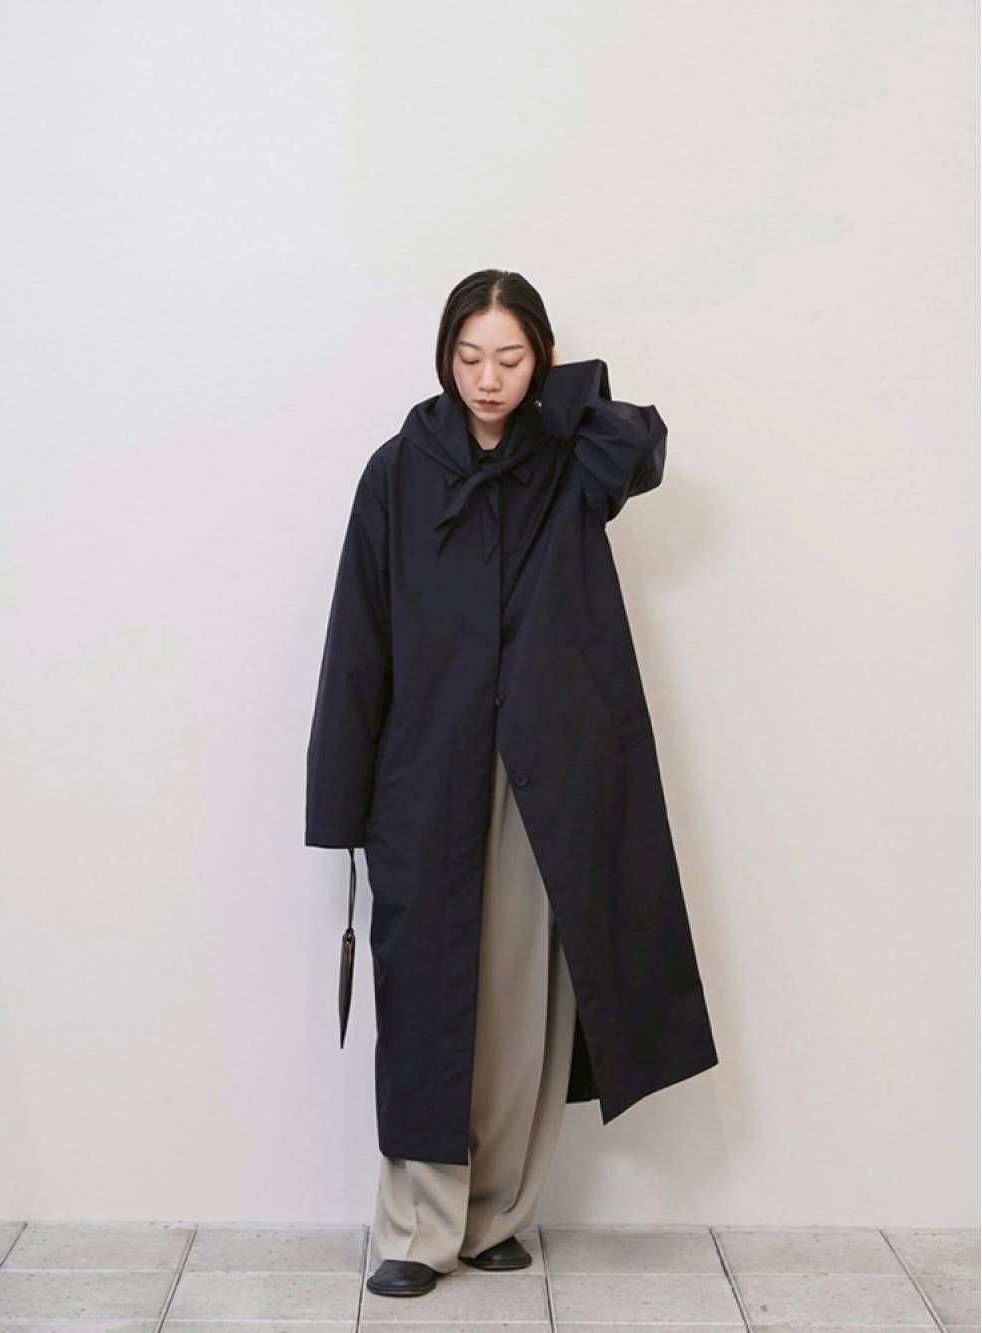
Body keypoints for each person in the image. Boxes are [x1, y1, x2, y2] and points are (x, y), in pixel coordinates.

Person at [305, 269, 720, 1299]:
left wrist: (560, 396)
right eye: (469, 356)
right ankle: (419, 1227)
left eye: (510, 357)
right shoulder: (397, 472)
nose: (486, 379)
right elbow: (358, 637)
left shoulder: (567, 461)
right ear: (443, 356)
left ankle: (496, 1214)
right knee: (426, 997)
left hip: (547, 775)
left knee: (519, 1000)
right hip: (424, 773)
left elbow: (642, 447)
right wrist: (341, 798)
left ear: (540, 359)